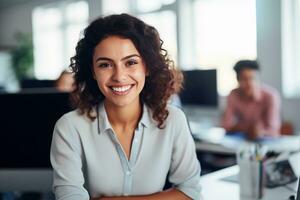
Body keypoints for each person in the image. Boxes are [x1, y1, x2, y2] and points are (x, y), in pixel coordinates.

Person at [50, 14, 201, 200]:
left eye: (131, 62)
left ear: (147, 67)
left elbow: (190, 192)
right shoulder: (70, 127)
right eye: (105, 65)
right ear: (93, 72)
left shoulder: (173, 120)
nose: (119, 76)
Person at [221, 60, 281, 139]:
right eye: (244, 79)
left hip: (265, 142)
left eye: (253, 78)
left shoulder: (271, 96)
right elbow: (226, 125)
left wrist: (260, 132)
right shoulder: (233, 95)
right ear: (238, 80)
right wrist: (247, 129)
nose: (249, 83)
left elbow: (274, 130)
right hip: (242, 141)